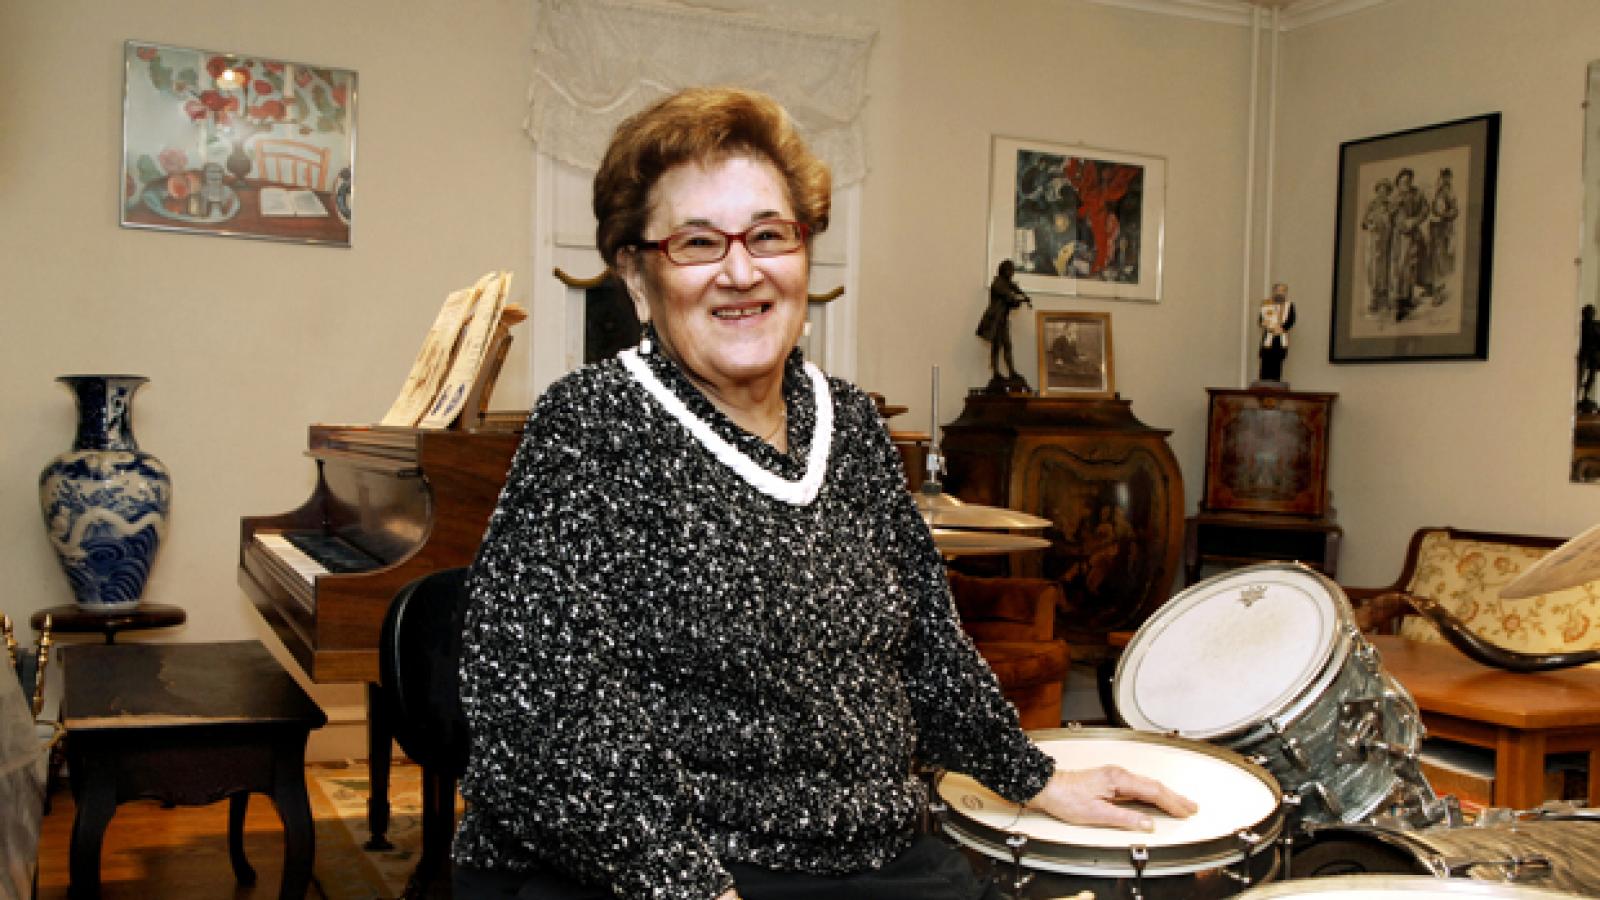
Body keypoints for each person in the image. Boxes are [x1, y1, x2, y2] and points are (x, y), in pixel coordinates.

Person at [454, 87, 1196, 900]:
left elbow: (926, 647)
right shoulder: (591, 427)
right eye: (698, 243)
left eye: (769, 234)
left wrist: (1033, 775)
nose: (743, 271)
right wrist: (692, 887)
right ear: (636, 275)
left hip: (874, 847)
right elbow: (540, 723)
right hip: (663, 864)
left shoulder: (851, 423)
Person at [975, 259, 1032, 390]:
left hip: (1002, 320)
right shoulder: (998, 283)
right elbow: (1008, 296)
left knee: (1006, 345)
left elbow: (1012, 299)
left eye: (1012, 270)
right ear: (1004, 270)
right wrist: (1019, 297)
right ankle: (996, 372)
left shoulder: (1007, 284)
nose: (1012, 273)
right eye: (1010, 270)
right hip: (995, 320)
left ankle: (1011, 371)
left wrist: (1022, 297)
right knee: (997, 346)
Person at [1258, 282, 1295, 384]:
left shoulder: (1289, 305)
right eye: (1278, 290)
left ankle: (1276, 384)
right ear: (1274, 291)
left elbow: (1291, 320)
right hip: (1269, 338)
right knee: (1265, 363)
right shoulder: (1267, 304)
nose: (1280, 293)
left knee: (1277, 364)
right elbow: (1261, 320)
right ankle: (1264, 385)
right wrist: (1267, 324)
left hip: (1281, 338)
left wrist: (1282, 328)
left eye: (1283, 291)